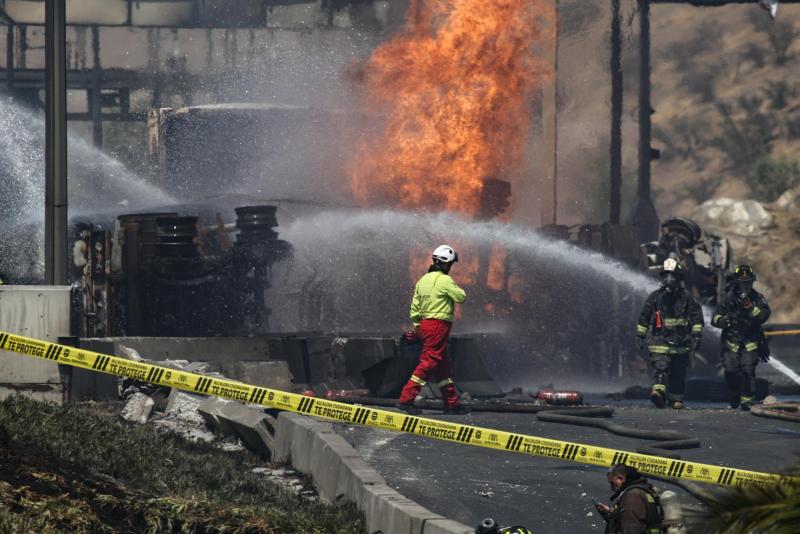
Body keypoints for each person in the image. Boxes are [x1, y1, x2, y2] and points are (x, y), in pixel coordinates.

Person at [397, 245, 469, 415]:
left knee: (442, 365)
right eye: (451, 264)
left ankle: (451, 403)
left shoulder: (422, 281)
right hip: (438, 326)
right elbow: (461, 297)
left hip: (424, 325)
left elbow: (414, 309)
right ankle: (406, 399)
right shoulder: (444, 280)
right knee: (429, 362)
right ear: (446, 264)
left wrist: (418, 328)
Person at [635, 258, 704, 409]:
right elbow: (644, 316)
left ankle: (675, 400)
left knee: (678, 374)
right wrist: (640, 335)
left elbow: (697, 317)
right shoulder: (656, 297)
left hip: (681, 343)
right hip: (659, 342)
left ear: (679, 279)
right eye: (666, 276)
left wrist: (696, 336)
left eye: (672, 276)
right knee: (661, 367)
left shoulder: (687, 298)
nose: (669, 279)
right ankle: (658, 394)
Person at [712, 265, 771, 410]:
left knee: (748, 371)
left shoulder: (757, 298)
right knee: (731, 371)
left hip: (750, 343)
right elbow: (714, 319)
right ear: (736, 282)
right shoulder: (728, 299)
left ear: (752, 282)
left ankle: (747, 402)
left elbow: (763, 316)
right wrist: (724, 320)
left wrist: (751, 308)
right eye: (742, 283)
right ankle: (734, 394)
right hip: (731, 343)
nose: (745, 286)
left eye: (748, 282)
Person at [596, 464, 664, 534]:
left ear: (620, 478)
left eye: (612, 483)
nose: (611, 488)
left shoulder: (632, 496)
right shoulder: (641, 490)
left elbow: (632, 527)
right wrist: (610, 511)